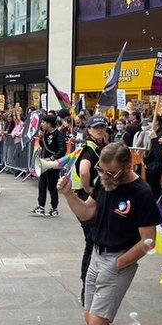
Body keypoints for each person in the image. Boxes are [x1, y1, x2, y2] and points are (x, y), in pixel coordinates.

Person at [58, 142, 157, 325]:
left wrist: (120, 263)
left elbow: (149, 240)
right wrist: (70, 195)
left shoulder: (140, 191)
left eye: (111, 173)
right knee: (92, 319)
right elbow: (87, 212)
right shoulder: (104, 182)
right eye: (101, 170)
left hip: (118, 259)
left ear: (127, 167)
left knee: (97, 321)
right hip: (96, 254)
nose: (104, 176)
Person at [74, 116, 109, 300]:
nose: (100, 130)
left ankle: (89, 286)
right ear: (89, 130)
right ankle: (86, 286)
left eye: (103, 127)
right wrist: (90, 190)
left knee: (93, 241)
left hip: (90, 199)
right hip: (87, 199)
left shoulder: (99, 147)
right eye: (96, 128)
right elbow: (84, 171)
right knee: (91, 241)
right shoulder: (89, 149)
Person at [32, 114, 67, 217]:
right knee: (42, 185)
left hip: (53, 164)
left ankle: (54, 208)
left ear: (48, 124)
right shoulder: (46, 133)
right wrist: (40, 138)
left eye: (43, 122)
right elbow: (44, 146)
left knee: (52, 186)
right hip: (44, 164)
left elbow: (62, 150)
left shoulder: (58, 134)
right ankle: (41, 206)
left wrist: (52, 158)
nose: (42, 124)